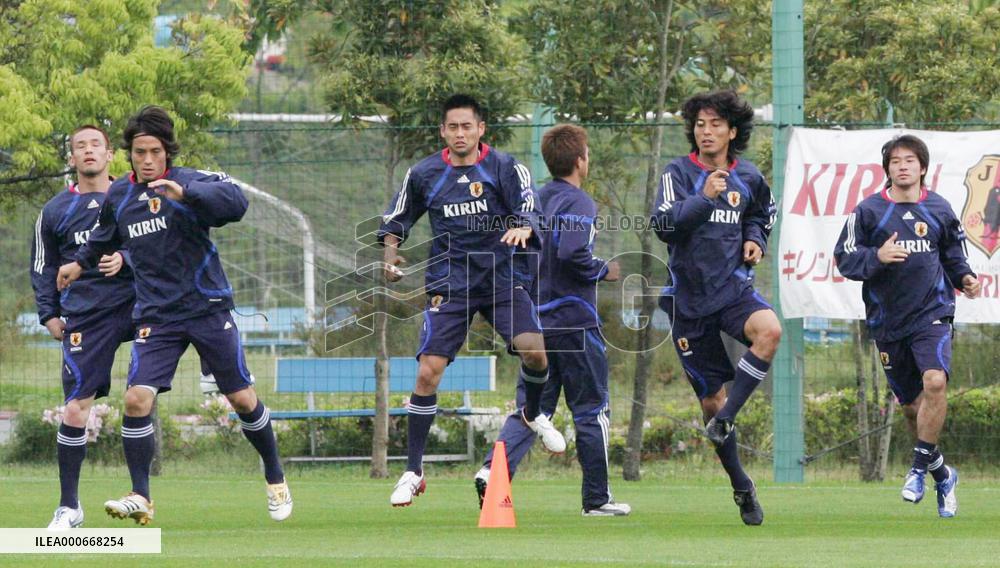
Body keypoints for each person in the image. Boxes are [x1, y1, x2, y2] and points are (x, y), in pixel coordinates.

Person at [56, 106, 292, 525]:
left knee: (240, 397)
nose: (147, 160)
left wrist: (187, 196)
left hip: (206, 307)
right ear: (128, 155)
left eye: (155, 152)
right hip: (156, 315)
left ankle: (275, 477)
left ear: (168, 152)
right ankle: (141, 496)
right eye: (139, 152)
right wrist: (78, 263)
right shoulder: (120, 196)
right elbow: (102, 237)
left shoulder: (190, 181)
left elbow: (236, 204)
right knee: (135, 399)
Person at [379, 94, 565, 507]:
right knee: (429, 372)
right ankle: (413, 471)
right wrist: (390, 259)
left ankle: (533, 413)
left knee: (535, 353)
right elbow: (395, 221)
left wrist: (522, 228)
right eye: (452, 127)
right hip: (451, 281)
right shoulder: (425, 173)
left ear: (481, 129)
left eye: (468, 126)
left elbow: (529, 207)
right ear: (443, 131)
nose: (460, 133)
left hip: (501, 278)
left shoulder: (505, 167)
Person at [473, 124, 629, 516]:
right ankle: (597, 499)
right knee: (592, 410)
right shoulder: (580, 203)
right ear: (580, 160)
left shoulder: (535, 200)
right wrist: (601, 269)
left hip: (537, 323)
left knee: (532, 409)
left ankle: (493, 471)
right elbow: (573, 252)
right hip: (575, 323)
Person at [650, 90, 780, 525]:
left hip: (733, 290)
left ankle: (726, 420)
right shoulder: (677, 173)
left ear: (732, 132)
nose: (706, 132)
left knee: (770, 332)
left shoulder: (749, 177)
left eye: (715, 125)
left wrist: (754, 239)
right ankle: (742, 486)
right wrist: (704, 196)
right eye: (700, 124)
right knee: (710, 400)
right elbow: (664, 227)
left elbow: (762, 213)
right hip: (688, 301)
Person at [834, 134, 980, 518]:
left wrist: (964, 277)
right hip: (887, 321)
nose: (902, 166)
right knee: (913, 407)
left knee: (935, 382)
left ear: (922, 167)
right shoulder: (868, 212)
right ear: (887, 169)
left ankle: (917, 470)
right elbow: (845, 257)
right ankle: (942, 473)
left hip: (932, 313)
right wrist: (877, 256)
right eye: (896, 161)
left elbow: (953, 253)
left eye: (910, 160)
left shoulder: (938, 208)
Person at [31, 125, 133, 529]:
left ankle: (140, 493)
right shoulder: (55, 211)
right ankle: (69, 507)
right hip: (86, 315)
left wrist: (125, 258)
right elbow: (43, 267)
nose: (88, 151)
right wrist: (49, 314)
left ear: (110, 155)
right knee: (75, 407)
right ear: (71, 159)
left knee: (143, 396)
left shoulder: (131, 198)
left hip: (138, 305)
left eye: (96, 145)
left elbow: (157, 244)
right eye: (80, 147)